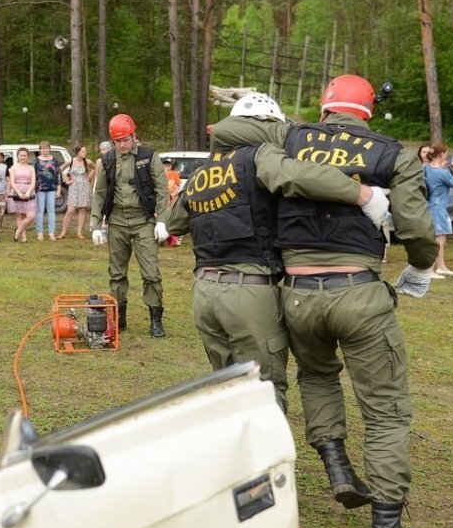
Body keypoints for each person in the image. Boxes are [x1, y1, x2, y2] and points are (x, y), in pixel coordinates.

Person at [276, 75, 437, 528]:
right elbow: (413, 224)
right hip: (359, 291)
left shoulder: (288, 138)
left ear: (324, 107)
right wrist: (421, 265)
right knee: (385, 412)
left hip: (296, 293)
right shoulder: (393, 154)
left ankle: (337, 464)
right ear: (368, 111)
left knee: (318, 375)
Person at [166, 92, 391, 416]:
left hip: (204, 292)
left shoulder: (203, 170)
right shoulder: (259, 156)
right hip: (250, 289)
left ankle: (238, 462)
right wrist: (362, 194)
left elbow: (175, 221)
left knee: (227, 388)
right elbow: (300, 176)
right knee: (265, 391)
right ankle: (267, 465)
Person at [91, 114, 170, 338]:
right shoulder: (107, 160)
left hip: (143, 220)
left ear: (134, 136)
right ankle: (119, 317)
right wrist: (96, 224)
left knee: (151, 273)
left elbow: (162, 190)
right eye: (118, 141)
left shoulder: (149, 155)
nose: (123, 144)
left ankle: (156, 320)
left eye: (126, 139)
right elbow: (99, 193)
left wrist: (163, 220)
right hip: (117, 220)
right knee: (116, 274)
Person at [423, 142, 453, 278]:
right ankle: (430, 270)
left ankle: (441, 266)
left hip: (429, 206)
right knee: (438, 239)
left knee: (441, 237)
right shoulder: (442, 173)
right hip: (438, 208)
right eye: (445, 152)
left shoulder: (426, 168)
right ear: (441, 154)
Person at [58, 144, 95, 239]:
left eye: (85, 151)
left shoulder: (87, 162)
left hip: (84, 187)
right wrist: (66, 180)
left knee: (82, 209)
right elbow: (60, 169)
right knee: (70, 210)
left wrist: (89, 177)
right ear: (78, 152)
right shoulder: (71, 161)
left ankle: (79, 233)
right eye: (83, 151)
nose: (85, 153)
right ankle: (63, 232)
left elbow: (95, 168)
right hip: (74, 187)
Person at [33, 141, 62, 241]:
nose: (45, 150)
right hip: (40, 189)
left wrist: (58, 190)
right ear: (40, 149)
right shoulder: (36, 161)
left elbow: (58, 175)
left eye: (47, 148)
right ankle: (40, 232)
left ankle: (51, 232)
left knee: (51, 211)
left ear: (50, 149)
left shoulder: (55, 160)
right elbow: (33, 176)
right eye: (43, 148)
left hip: (52, 189)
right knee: (40, 211)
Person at [7, 147, 37, 242]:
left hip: (29, 192)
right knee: (20, 215)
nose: (23, 157)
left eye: (25, 155)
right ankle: (24, 238)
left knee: (30, 216)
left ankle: (18, 231)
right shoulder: (13, 167)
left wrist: (28, 192)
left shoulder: (31, 168)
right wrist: (19, 192)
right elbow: (12, 182)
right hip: (16, 192)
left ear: (27, 156)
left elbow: (33, 182)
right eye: (21, 155)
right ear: (18, 156)